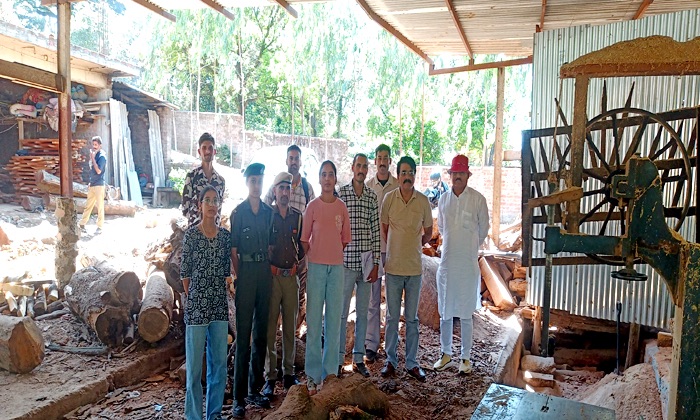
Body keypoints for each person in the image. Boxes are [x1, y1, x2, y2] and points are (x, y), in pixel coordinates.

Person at [433, 155, 489, 375]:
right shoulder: (443, 200)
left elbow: (483, 230)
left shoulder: (477, 200)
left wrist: (469, 245)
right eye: (454, 173)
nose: (457, 176)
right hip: (447, 264)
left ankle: (465, 358)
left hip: (467, 265)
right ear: (450, 175)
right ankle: (446, 354)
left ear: (467, 175)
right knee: (445, 312)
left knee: (466, 313)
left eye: (461, 173)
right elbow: (443, 228)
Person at [180, 185, 232, 420]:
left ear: (219, 205)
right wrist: (197, 297)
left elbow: (225, 273)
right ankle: (193, 416)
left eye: (215, 200)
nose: (211, 204)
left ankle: (214, 413)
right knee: (194, 368)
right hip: (197, 309)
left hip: (219, 307)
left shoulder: (225, 237)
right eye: (207, 200)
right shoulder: (191, 235)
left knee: (219, 364)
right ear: (199, 205)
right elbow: (185, 275)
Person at [380, 156, 433, 382]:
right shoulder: (389, 199)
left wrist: (413, 245)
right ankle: (390, 361)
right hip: (393, 268)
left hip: (414, 270)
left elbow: (428, 233)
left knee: (412, 319)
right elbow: (384, 228)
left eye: (410, 172)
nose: (407, 176)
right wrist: (398, 246)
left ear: (414, 175)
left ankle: (412, 362)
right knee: (392, 317)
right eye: (403, 172)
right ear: (398, 175)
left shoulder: (423, 201)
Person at [300, 160, 351, 395]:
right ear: (319, 179)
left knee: (333, 320)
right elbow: (304, 240)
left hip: (336, 269)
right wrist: (317, 256)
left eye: (331, 174)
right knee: (313, 320)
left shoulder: (341, 208)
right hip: (317, 268)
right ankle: (312, 375)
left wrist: (331, 254)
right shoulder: (312, 207)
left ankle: (330, 373)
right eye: (324, 175)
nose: (327, 179)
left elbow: (344, 240)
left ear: (335, 178)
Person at [230, 163, 273, 419]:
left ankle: (254, 389)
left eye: (260, 181)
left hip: (264, 275)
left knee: (260, 335)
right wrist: (242, 275)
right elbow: (234, 251)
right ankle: (238, 398)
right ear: (247, 183)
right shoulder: (239, 213)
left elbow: (270, 246)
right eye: (253, 181)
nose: (257, 185)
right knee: (244, 336)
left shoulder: (268, 213)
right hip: (246, 275)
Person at [263, 145, 315, 333]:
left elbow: (313, 216)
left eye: (296, 159)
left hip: (298, 253)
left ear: (300, 162)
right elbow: (264, 207)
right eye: (290, 158)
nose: (293, 162)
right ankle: (275, 334)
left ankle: (293, 334)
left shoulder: (307, 188)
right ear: (286, 161)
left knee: (298, 297)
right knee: (274, 301)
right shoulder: (278, 184)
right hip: (277, 252)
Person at [262, 172, 304, 398]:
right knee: (270, 328)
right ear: (275, 191)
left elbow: (302, 247)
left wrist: (298, 270)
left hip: (291, 278)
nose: (285, 192)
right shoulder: (268, 216)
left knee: (290, 327)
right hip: (272, 278)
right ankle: (270, 376)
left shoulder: (298, 217)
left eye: (288, 188)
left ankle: (289, 373)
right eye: (281, 188)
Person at [338, 153, 380, 378]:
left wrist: (376, 263)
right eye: (358, 166)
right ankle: (338, 358)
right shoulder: (342, 194)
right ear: (352, 167)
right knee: (342, 312)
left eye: (365, 166)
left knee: (363, 313)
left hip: (365, 264)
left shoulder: (372, 197)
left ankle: (358, 358)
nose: (361, 170)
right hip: (345, 262)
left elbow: (376, 232)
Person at [365, 143, 399, 364]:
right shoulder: (368, 187)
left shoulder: (398, 186)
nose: (383, 162)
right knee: (373, 299)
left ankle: (391, 346)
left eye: (386, 158)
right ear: (375, 161)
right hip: (373, 249)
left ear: (390, 161)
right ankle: (371, 344)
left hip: (395, 249)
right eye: (379, 158)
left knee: (393, 301)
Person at [182, 132, 226, 227]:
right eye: (204, 148)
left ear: (214, 152)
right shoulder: (192, 177)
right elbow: (185, 208)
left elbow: (219, 209)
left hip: (214, 231)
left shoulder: (220, 181)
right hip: (195, 231)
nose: (207, 151)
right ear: (199, 151)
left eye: (210, 148)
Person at [79, 136, 107, 234]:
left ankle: (100, 226)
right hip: (93, 184)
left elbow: (98, 171)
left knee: (100, 207)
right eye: (93, 144)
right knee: (88, 206)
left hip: (99, 185)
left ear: (100, 145)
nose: (94, 146)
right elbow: (92, 171)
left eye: (96, 145)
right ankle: (82, 224)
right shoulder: (95, 155)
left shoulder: (102, 157)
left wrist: (92, 158)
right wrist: (90, 182)